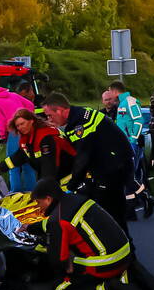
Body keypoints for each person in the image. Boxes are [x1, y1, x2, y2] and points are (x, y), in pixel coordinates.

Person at [26, 178, 154, 290]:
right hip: (126, 253)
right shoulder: (78, 199)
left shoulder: (57, 220)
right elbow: (54, 223)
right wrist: (30, 228)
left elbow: (58, 261)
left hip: (106, 265)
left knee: (59, 288)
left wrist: (59, 259)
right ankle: (129, 273)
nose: (39, 207)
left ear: (48, 199)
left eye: (39, 202)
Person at [42, 92, 135, 236]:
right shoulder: (77, 117)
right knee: (107, 211)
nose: (49, 119)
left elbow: (82, 157)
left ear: (60, 110)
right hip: (111, 165)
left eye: (49, 115)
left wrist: (71, 185)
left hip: (114, 167)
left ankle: (126, 251)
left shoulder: (79, 124)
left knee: (110, 214)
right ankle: (122, 246)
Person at [108, 80, 154, 220]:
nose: (110, 95)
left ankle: (146, 198)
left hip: (130, 144)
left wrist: (133, 139)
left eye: (110, 92)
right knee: (127, 176)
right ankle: (130, 211)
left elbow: (139, 120)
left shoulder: (130, 101)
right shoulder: (122, 103)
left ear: (115, 91)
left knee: (128, 176)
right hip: (124, 145)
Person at [0, 108, 76, 185]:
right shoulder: (26, 139)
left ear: (31, 121)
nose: (20, 128)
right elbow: (20, 156)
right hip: (55, 176)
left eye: (22, 124)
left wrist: (43, 187)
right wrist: (1, 166)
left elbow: (49, 165)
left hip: (71, 175)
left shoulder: (45, 137)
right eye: (17, 126)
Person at [0, 84, 36, 191]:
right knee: (27, 161)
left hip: (13, 132)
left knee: (12, 165)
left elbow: (0, 122)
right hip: (27, 130)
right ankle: (31, 191)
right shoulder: (12, 95)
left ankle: (15, 193)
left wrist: (3, 136)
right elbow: (30, 105)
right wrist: (27, 122)